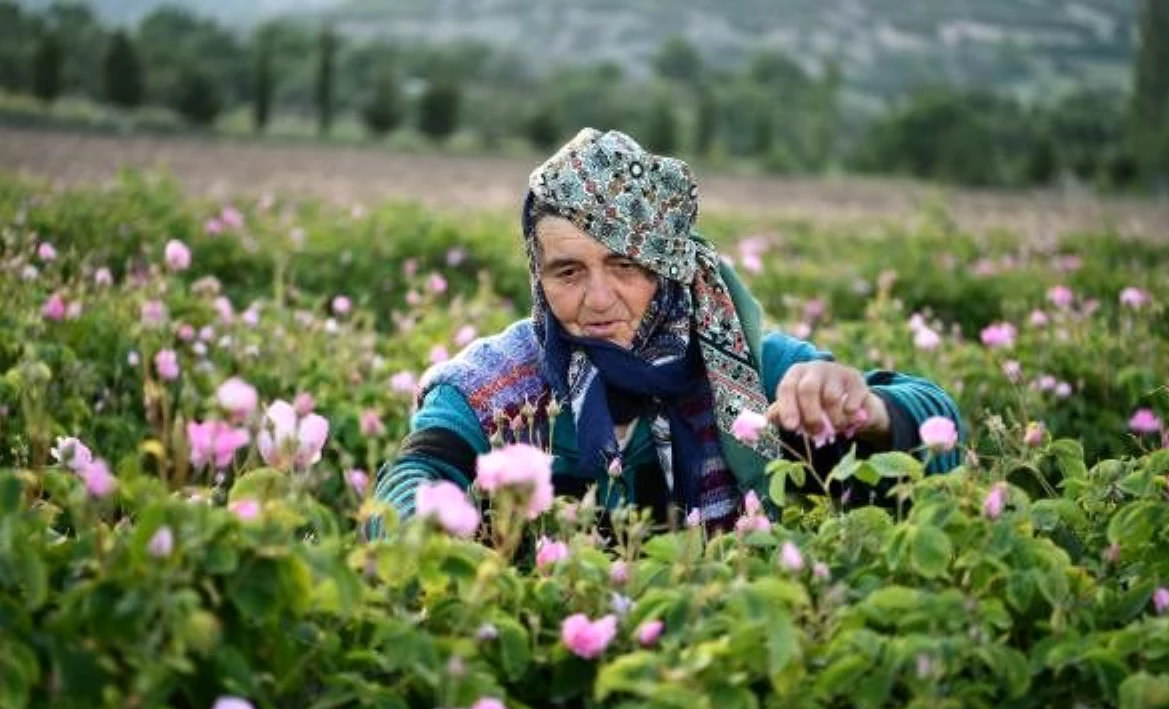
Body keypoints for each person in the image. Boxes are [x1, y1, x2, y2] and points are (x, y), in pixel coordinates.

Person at [367, 128, 962, 539]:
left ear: (670, 267)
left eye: (625, 265)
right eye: (568, 271)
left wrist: (869, 408)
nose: (598, 300)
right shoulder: (491, 386)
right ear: (538, 277)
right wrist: (420, 530)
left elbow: (937, 425)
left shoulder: (745, 364)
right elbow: (414, 474)